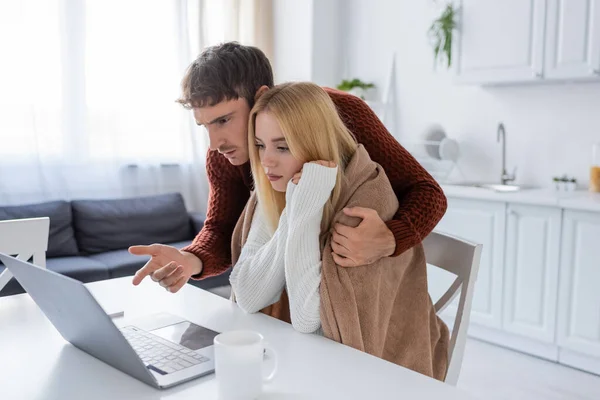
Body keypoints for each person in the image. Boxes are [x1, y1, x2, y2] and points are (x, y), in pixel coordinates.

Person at [129, 42, 447, 295]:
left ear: (261, 97)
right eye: (205, 126)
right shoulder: (224, 156)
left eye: (223, 120)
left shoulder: (341, 113)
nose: (215, 143)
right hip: (296, 301)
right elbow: (221, 230)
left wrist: (392, 237)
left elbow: (428, 192)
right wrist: (190, 259)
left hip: (366, 294)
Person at [228, 82, 448, 380]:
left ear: (314, 142)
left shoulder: (366, 195)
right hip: (308, 361)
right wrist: (295, 207)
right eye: (259, 145)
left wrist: (303, 208)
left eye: (282, 146)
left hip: (384, 372)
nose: (266, 160)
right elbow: (249, 295)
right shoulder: (276, 184)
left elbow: (309, 318)